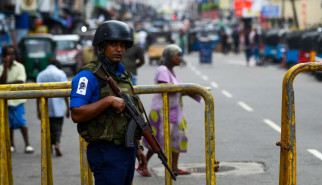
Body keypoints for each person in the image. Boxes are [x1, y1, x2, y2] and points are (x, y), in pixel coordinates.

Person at [70, 20, 147, 185]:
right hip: (106, 150)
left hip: (127, 149)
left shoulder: (123, 75)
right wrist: (108, 101)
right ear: (101, 47)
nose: (119, 49)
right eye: (113, 44)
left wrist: (137, 147)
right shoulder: (88, 76)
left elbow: (130, 115)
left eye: (122, 45)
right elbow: (76, 113)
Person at [137, 44, 201, 177]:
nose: (180, 58)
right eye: (178, 55)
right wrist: (184, 89)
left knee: (176, 138)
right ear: (170, 57)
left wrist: (189, 91)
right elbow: (165, 87)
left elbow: (175, 90)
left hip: (174, 111)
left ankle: (175, 167)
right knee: (157, 140)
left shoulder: (171, 71)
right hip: (162, 111)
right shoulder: (162, 70)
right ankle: (143, 165)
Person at [0, 45, 34, 153]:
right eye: (8, 54)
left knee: (21, 122)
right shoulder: (1, 68)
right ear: (4, 56)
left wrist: (6, 85)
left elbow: (20, 82)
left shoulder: (20, 67)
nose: (10, 56)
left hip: (18, 100)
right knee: (8, 124)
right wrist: (5, 67)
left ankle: (27, 144)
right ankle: (12, 144)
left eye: (12, 54)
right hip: (6, 102)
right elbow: (1, 82)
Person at [36, 59, 70, 157]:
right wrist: (68, 108)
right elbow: (65, 91)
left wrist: (38, 109)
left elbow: (36, 93)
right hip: (59, 106)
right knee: (58, 127)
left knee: (48, 127)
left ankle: (49, 147)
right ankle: (57, 144)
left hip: (45, 106)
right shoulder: (60, 73)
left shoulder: (41, 74)